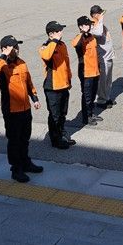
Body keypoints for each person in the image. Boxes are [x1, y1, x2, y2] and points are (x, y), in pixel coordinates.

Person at [0, 35, 43, 183]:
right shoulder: (1, 65)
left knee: (25, 138)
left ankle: (26, 163)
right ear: (4, 49)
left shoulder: (21, 63)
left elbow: (28, 82)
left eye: (17, 46)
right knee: (14, 141)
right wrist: (3, 55)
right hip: (11, 110)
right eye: (13, 47)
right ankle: (16, 169)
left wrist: (35, 98)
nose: (17, 49)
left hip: (25, 108)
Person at [40, 21, 75, 149]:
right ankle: (55, 140)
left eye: (61, 30)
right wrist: (54, 41)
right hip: (52, 87)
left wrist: (69, 80)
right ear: (51, 34)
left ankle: (61, 134)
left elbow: (66, 64)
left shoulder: (62, 45)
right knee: (54, 115)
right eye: (58, 31)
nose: (61, 32)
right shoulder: (45, 47)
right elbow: (46, 56)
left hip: (63, 85)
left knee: (62, 113)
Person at [72, 17, 102, 127]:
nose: (89, 26)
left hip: (95, 71)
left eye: (90, 24)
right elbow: (75, 44)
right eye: (87, 25)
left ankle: (91, 113)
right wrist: (82, 33)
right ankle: (86, 117)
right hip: (86, 72)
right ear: (81, 26)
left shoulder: (92, 37)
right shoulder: (79, 39)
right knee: (87, 96)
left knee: (93, 94)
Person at [89, 5, 115, 108]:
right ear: (94, 15)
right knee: (103, 80)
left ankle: (106, 97)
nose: (102, 15)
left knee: (108, 79)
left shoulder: (100, 23)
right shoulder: (92, 25)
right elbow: (98, 33)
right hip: (102, 57)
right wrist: (100, 20)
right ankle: (101, 100)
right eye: (100, 13)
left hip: (109, 55)